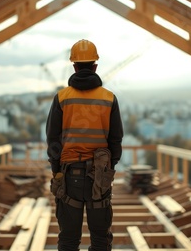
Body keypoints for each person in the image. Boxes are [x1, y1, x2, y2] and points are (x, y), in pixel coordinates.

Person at [46, 39, 124, 251]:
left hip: (69, 176)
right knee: (100, 239)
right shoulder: (109, 98)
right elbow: (115, 140)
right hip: (99, 177)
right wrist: (110, 169)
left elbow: (53, 140)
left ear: (74, 66)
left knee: (69, 239)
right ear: (95, 66)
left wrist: (57, 172)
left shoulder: (62, 98)